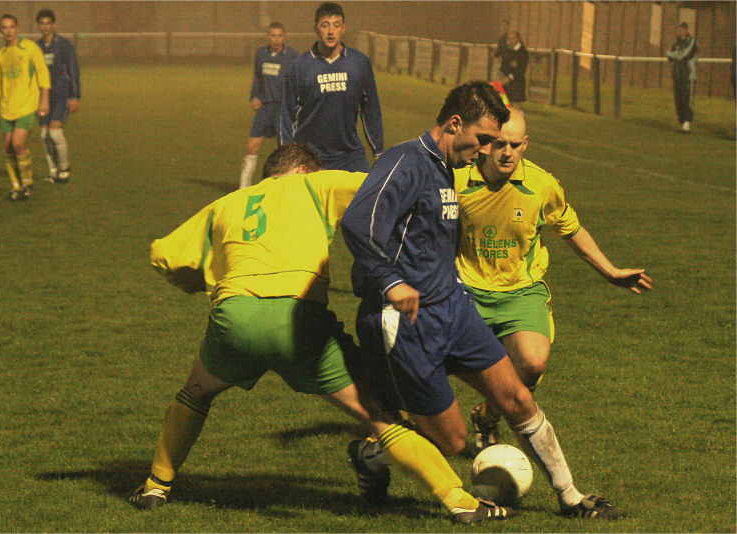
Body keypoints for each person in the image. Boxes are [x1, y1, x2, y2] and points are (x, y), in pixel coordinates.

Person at [128, 143, 510, 525]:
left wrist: (198, 281)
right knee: (378, 415)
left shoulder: (227, 202)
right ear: (301, 171)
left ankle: (154, 486)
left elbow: (164, 254)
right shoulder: (314, 185)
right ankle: (460, 501)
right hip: (297, 318)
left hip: (235, 316)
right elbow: (385, 188)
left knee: (195, 392)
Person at [341, 81, 623, 520]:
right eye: (484, 139)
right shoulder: (406, 161)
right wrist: (390, 281)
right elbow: (360, 222)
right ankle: (372, 451)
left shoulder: (446, 167)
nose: (487, 150)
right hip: (406, 322)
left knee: (517, 398)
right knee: (452, 441)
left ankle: (571, 497)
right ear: (455, 123)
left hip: (453, 308)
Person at [453, 110, 653, 456]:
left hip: (521, 290)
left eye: (515, 145)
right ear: (485, 144)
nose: (507, 153)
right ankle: (397, 430)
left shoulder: (541, 185)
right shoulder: (457, 180)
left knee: (532, 364)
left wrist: (610, 271)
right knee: (428, 360)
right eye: (499, 144)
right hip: (467, 290)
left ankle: (487, 414)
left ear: (525, 144)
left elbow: (570, 228)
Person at [279, 2, 383, 172]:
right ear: (316, 28)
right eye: (325, 25)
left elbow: (371, 109)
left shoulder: (359, 63)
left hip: (350, 157)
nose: (331, 31)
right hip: (309, 159)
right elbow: (286, 115)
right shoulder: (299, 67)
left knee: (364, 198)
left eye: (336, 25)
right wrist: (287, 158)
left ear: (343, 28)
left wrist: (378, 151)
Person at [0, 14, 50, 201]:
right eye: (4, 27)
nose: (8, 31)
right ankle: (16, 186)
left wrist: (44, 99)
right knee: (8, 148)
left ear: (17, 28)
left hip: (27, 106)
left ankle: (27, 184)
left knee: (18, 144)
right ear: (1, 31)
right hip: (6, 108)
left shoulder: (29, 48)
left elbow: (43, 73)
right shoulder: (1, 55)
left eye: (11, 26)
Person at [237, 22, 298, 189]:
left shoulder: (292, 55)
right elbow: (257, 77)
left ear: (284, 37)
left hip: (283, 110)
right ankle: (243, 189)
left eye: (279, 35)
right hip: (265, 108)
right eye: (273, 35)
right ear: (268, 37)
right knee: (251, 147)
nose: (276, 39)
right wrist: (254, 96)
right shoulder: (261, 54)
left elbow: (299, 81)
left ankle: (288, 188)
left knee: (286, 152)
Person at [36, 8, 81, 184]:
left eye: (48, 23)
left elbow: (73, 71)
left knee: (55, 134)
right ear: (38, 26)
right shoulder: (36, 47)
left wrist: (74, 97)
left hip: (62, 94)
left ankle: (64, 167)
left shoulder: (64, 45)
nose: (45, 27)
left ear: (53, 24)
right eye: (42, 23)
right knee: (44, 136)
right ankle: (53, 172)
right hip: (44, 97)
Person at [666, 22, 698, 133]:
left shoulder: (691, 41)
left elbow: (686, 54)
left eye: (682, 29)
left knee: (687, 100)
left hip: (688, 75)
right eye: (678, 29)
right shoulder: (676, 42)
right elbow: (669, 54)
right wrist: (677, 54)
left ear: (686, 30)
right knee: (678, 101)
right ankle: (682, 121)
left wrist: (677, 54)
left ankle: (687, 124)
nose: (680, 31)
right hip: (677, 76)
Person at [497, 31, 528, 111]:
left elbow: (521, 70)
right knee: (504, 107)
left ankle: (520, 122)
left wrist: (509, 78)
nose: (511, 40)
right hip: (505, 83)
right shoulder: (507, 50)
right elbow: (503, 65)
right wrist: (501, 74)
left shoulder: (523, 52)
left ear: (518, 39)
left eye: (513, 38)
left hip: (517, 84)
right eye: (509, 38)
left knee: (516, 109)